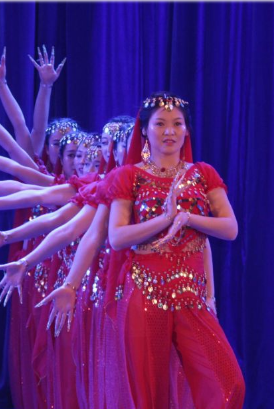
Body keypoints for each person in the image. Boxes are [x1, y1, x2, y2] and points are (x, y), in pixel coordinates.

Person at [103, 92, 245, 409]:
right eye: (160, 124)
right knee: (149, 396)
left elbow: (230, 228)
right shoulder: (130, 175)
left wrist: (187, 218)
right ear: (144, 130)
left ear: (187, 130)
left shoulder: (203, 174)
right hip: (145, 294)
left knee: (228, 383)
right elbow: (117, 237)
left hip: (190, 296)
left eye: (178, 124)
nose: (170, 131)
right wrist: (165, 219)